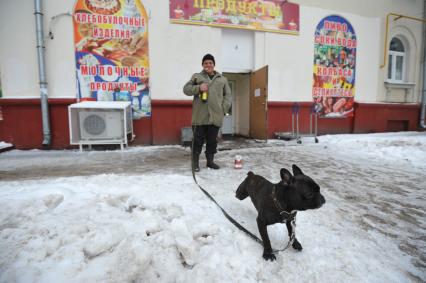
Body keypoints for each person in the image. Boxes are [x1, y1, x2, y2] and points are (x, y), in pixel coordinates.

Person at [183, 54, 232, 172]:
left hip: (215, 116)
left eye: (210, 63)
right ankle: (195, 163)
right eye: (205, 63)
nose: (208, 65)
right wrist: (198, 88)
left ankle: (210, 162)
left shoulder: (222, 79)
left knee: (212, 141)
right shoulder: (196, 77)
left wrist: (223, 110)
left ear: (214, 64)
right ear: (202, 65)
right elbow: (186, 89)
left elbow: (228, 96)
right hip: (199, 117)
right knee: (197, 141)